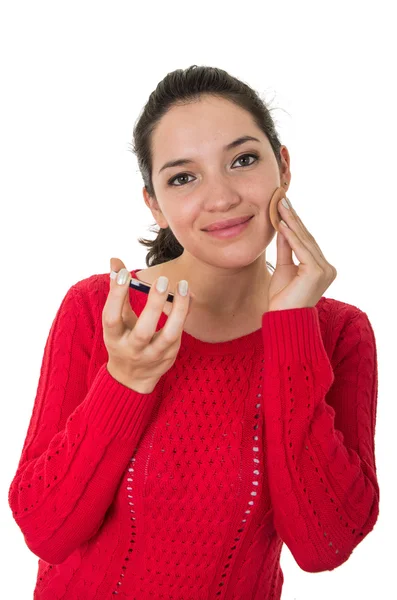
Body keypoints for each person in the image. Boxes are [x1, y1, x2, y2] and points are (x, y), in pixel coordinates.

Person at [8, 65, 379, 600]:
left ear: (283, 165)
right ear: (155, 204)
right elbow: (45, 529)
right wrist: (125, 380)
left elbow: (324, 546)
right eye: (184, 177)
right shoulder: (102, 309)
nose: (222, 196)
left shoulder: (338, 332)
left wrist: (292, 330)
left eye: (243, 160)